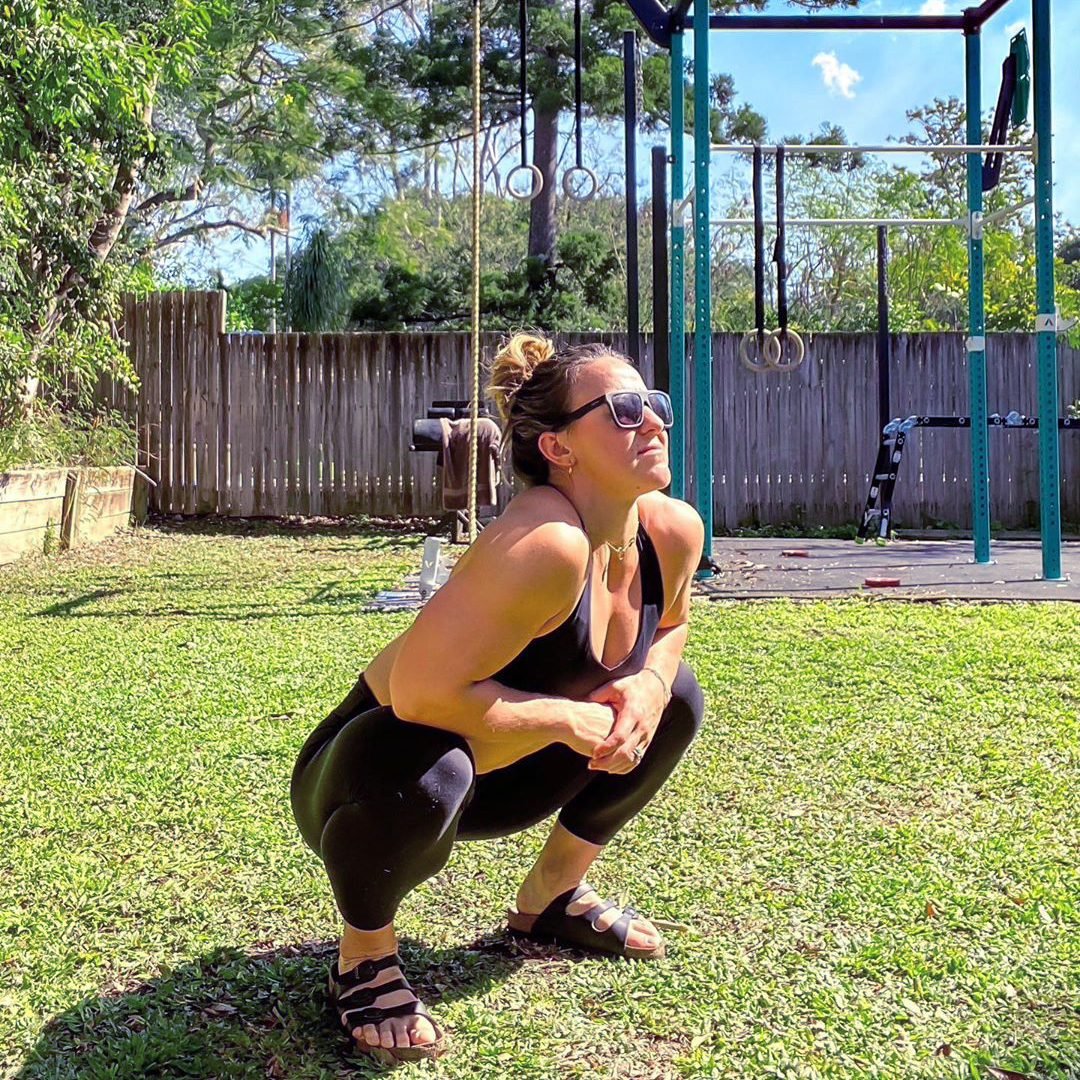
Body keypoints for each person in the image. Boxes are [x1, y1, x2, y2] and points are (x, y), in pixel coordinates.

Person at [290, 334, 706, 1062]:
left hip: (507, 769)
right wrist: (570, 716)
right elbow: (420, 696)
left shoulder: (670, 530)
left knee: (676, 699)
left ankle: (547, 901)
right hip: (373, 775)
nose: (654, 422)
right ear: (559, 447)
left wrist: (644, 683)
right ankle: (364, 956)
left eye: (656, 404)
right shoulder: (545, 543)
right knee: (431, 761)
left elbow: (671, 625)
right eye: (626, 408)